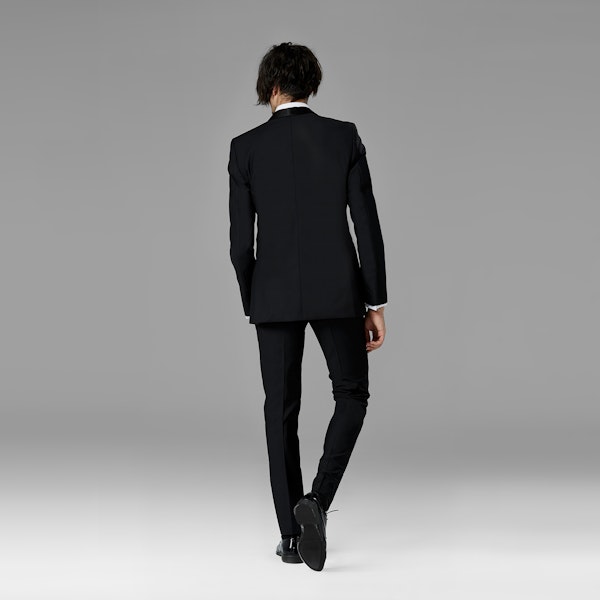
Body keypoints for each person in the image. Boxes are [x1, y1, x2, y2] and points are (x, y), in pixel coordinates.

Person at [228, 42, 387, 571]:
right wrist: (374, 300)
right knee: (352, 394)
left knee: (280, 410)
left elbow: (240, 243)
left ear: (270, 87)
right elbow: (366, 224)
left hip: (272, 295)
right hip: (338, 291)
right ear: (309, 84)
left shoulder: (245, 148)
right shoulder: (343, 136)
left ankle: (291, 539)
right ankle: (316, 500)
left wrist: (254, 298)